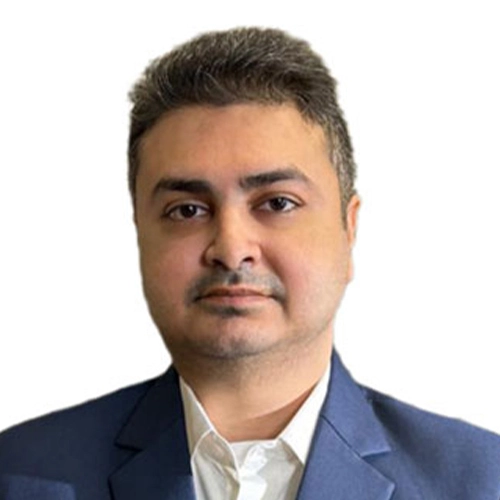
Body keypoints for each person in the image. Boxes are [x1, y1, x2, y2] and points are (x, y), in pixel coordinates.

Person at [0, 26, 499, 500]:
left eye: (277, 203)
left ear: (349, 229)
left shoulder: (481, 481)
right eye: (187, 210)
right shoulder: (17, 473)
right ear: (139, 231)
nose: (231, 246)